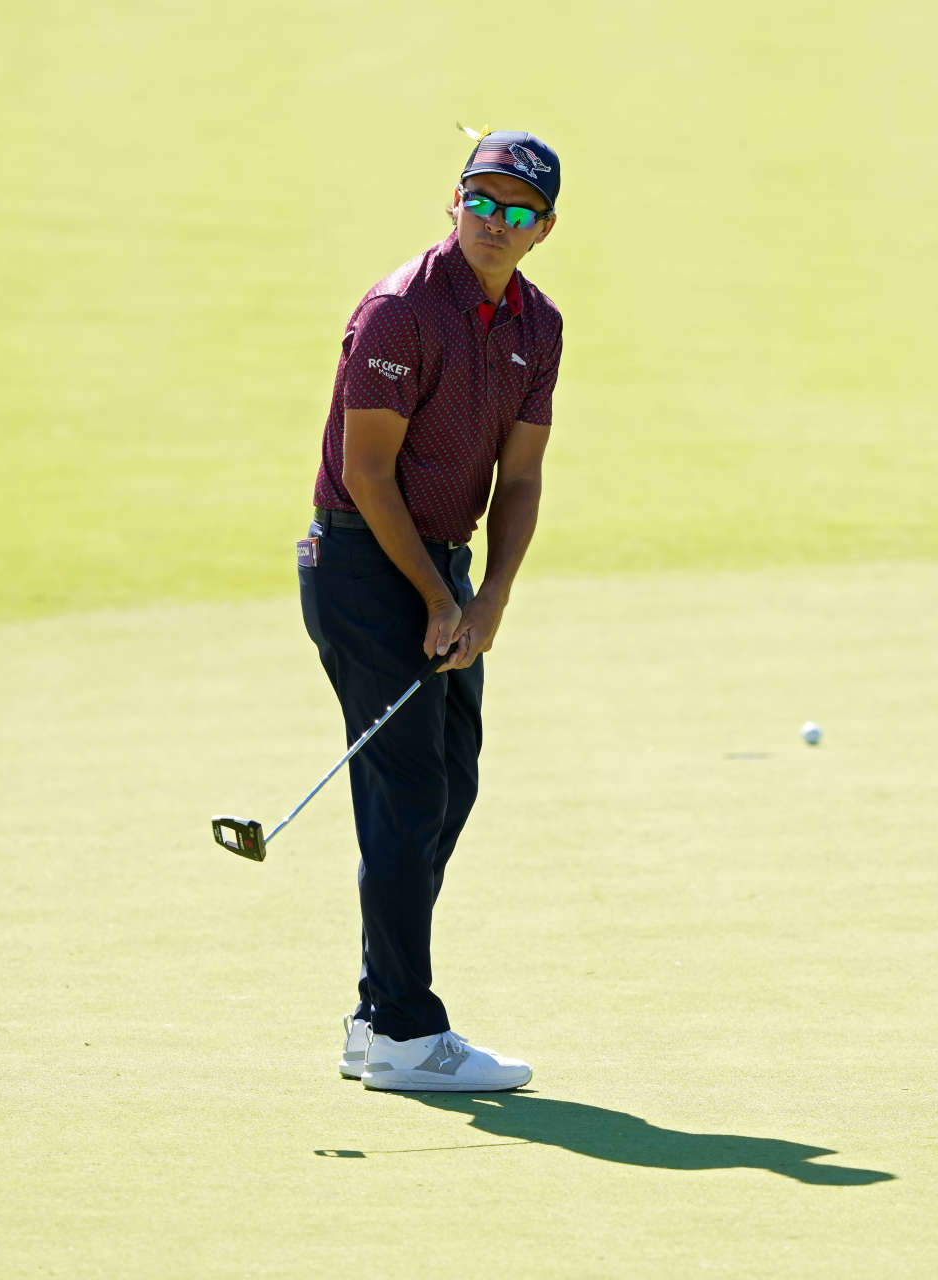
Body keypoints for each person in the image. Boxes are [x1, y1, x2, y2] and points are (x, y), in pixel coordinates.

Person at [297, 130, 564, 1092]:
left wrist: (487, 599)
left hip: (444, 568)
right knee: (406, 795)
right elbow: (367, 474)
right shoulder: (399, 311)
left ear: (544, 229)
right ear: (453, 201)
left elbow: (521, 478)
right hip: (362, 565)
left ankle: (377, 1016)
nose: (495, 221)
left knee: (449, 784)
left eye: (518, 210)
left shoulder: (539, 324)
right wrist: (437, 597)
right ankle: (408, 1031)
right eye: (480, 199)